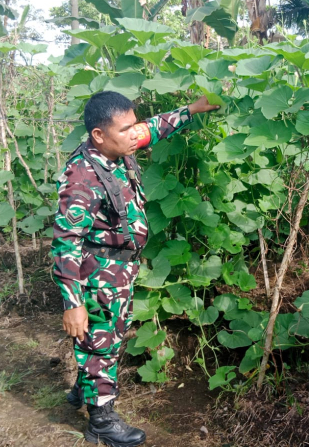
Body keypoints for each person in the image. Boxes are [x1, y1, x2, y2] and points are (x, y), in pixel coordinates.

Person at [52, 91, 218, 447]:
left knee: (101, 338)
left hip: (120, 269)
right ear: (99, 134)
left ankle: (84, 390)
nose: (135, 134)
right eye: (125, 129)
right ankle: (102, 420)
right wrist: (73, 303)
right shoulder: (81, 176)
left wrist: (191, 110)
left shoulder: (117, 145)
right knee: (104, 343)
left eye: (133, 127)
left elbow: (151, 129)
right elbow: (66, 243)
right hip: (98, 272)